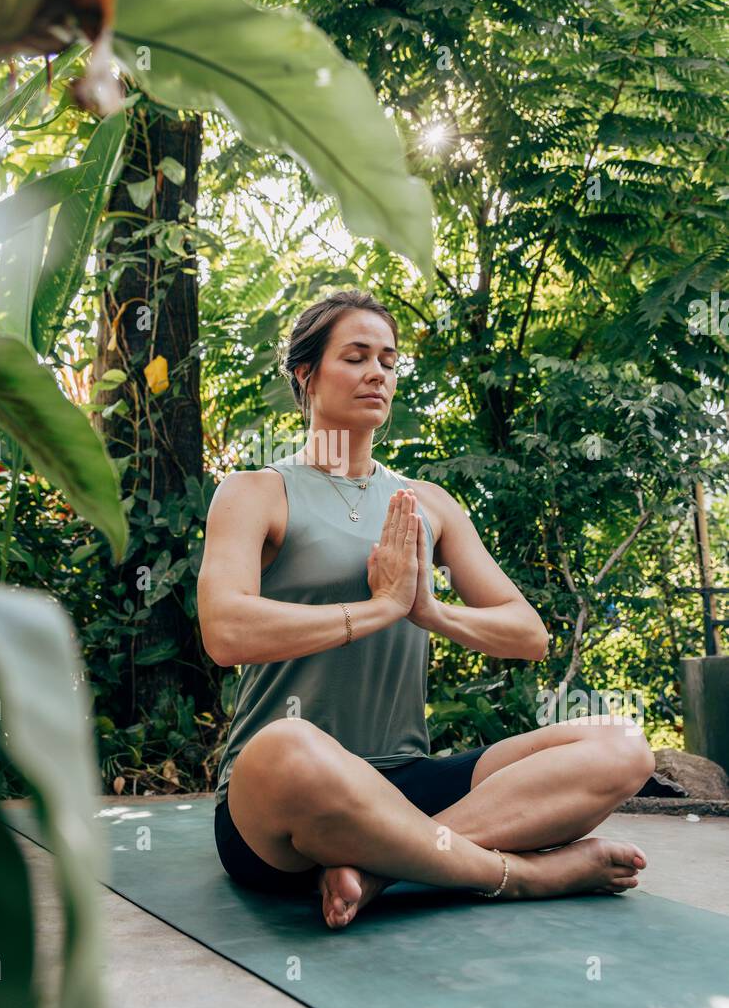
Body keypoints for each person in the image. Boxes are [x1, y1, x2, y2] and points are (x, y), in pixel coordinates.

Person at [197, 290, 654, 929]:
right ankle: (520, 876)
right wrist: (379, 608)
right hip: (281, 800)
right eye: (355, 357)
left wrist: (428, 611)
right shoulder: (256, 493)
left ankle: (380, 866)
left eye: (387, 360)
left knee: (622, 746)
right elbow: (226, 631)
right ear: (306, 375)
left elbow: (528, 635)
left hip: (405, 781)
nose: (377, 373)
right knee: (286, 746)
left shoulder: (427, 502)